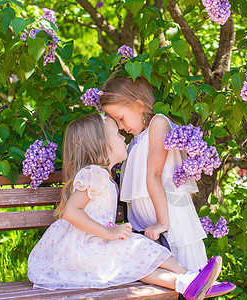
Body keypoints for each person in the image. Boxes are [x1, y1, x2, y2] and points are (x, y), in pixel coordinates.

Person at [28, 114, 222, 300]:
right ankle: (193, 277)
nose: (123, 136)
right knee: (137, 247)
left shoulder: (106, 177)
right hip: (82, 250)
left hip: (95, 247)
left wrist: (109, 234)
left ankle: (185, 282)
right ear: (102, 145)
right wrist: (109, 233)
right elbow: (71, 212)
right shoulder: (94, 174)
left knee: (136, 258)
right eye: (117, 134)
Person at [100, 75, 236, 297]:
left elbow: (154, 175)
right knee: (169, 284)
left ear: (138, 105)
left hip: (169, 220)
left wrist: (162, 222)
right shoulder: (136, 139)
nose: (121, 127)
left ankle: (203, 285)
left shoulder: (158, 123)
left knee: (186, 269)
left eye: (121, 118)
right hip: (150, 226)